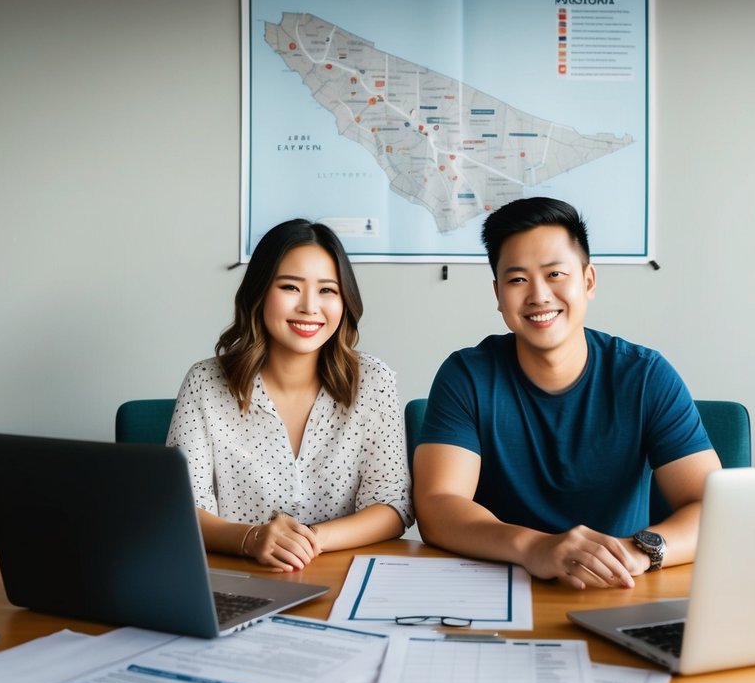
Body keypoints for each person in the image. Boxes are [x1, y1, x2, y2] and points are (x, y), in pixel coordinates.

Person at [413, 197, 721, 590]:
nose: (539, 295)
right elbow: (438, 505)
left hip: (620, 586)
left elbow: (711, 508)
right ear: (498, 294)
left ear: (588, 281)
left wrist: (635, 553)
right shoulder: (467, 375)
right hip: (499, 586)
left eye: (555, 274)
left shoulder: (645, 375)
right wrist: (535, 547)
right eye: (517, 279)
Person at [167, 219, 412, 572]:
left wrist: (309, 540)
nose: (310, 307)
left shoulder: (374, 382)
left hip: (343, 577)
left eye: (327, 290)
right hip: (235, 578)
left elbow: (392, 506)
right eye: (290, 287)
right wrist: (252, 539)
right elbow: (183, 509)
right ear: (260, 292)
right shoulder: (205, 382)